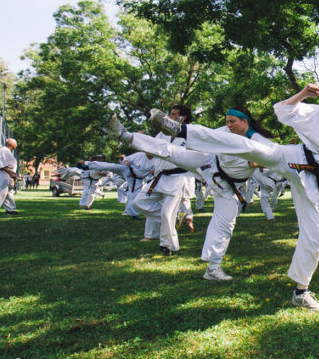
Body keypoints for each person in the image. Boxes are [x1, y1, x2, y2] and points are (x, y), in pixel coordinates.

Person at [153, 79, 319, 311]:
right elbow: (283, 110)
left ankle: (301, 292)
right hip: (296, 157)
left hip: (317, 182)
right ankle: (182, 130)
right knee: (252, 147)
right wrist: (303, 93)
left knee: (315, 239)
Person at [110, 106, 272, 280]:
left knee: (224, 227)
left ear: (245, 122)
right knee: (170, 151)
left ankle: (213, 269)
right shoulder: (225, 131)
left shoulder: (259, 140)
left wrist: (258, 162)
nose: (229, 125)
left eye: (233, 122)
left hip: (228, 187)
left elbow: (273, 159)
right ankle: (126, 135)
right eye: (227, 122)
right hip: (208, 162)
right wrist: (182, 132)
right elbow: (206, 136)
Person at [130, 104, 196, 255]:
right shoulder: (163, 134)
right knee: (139, 202)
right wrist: (141, 141)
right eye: (170, 114)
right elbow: (150, 155)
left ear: (182, 117)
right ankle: (176, 220)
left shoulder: (192, 133)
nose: (170, 117)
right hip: (160, 177)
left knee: (167, 214)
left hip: (179, 177)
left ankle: (168, 246)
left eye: (173, 114)